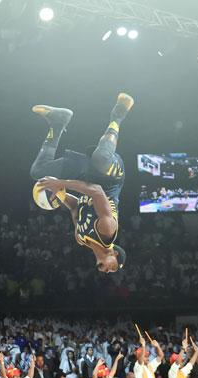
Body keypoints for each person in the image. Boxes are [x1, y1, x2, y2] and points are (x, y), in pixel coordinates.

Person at [31, 93, 134, 273]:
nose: (108, 271)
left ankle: (57, 123)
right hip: (110, 179)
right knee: (100, 158)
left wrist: (60, 193)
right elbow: (96, 191)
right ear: (115, 255)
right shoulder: (107, 232)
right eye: (113, 269)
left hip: (86, 178)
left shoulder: (81, 239)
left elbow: (74, 207)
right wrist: (61, 182)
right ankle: (118, 114)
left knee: (39, 173)